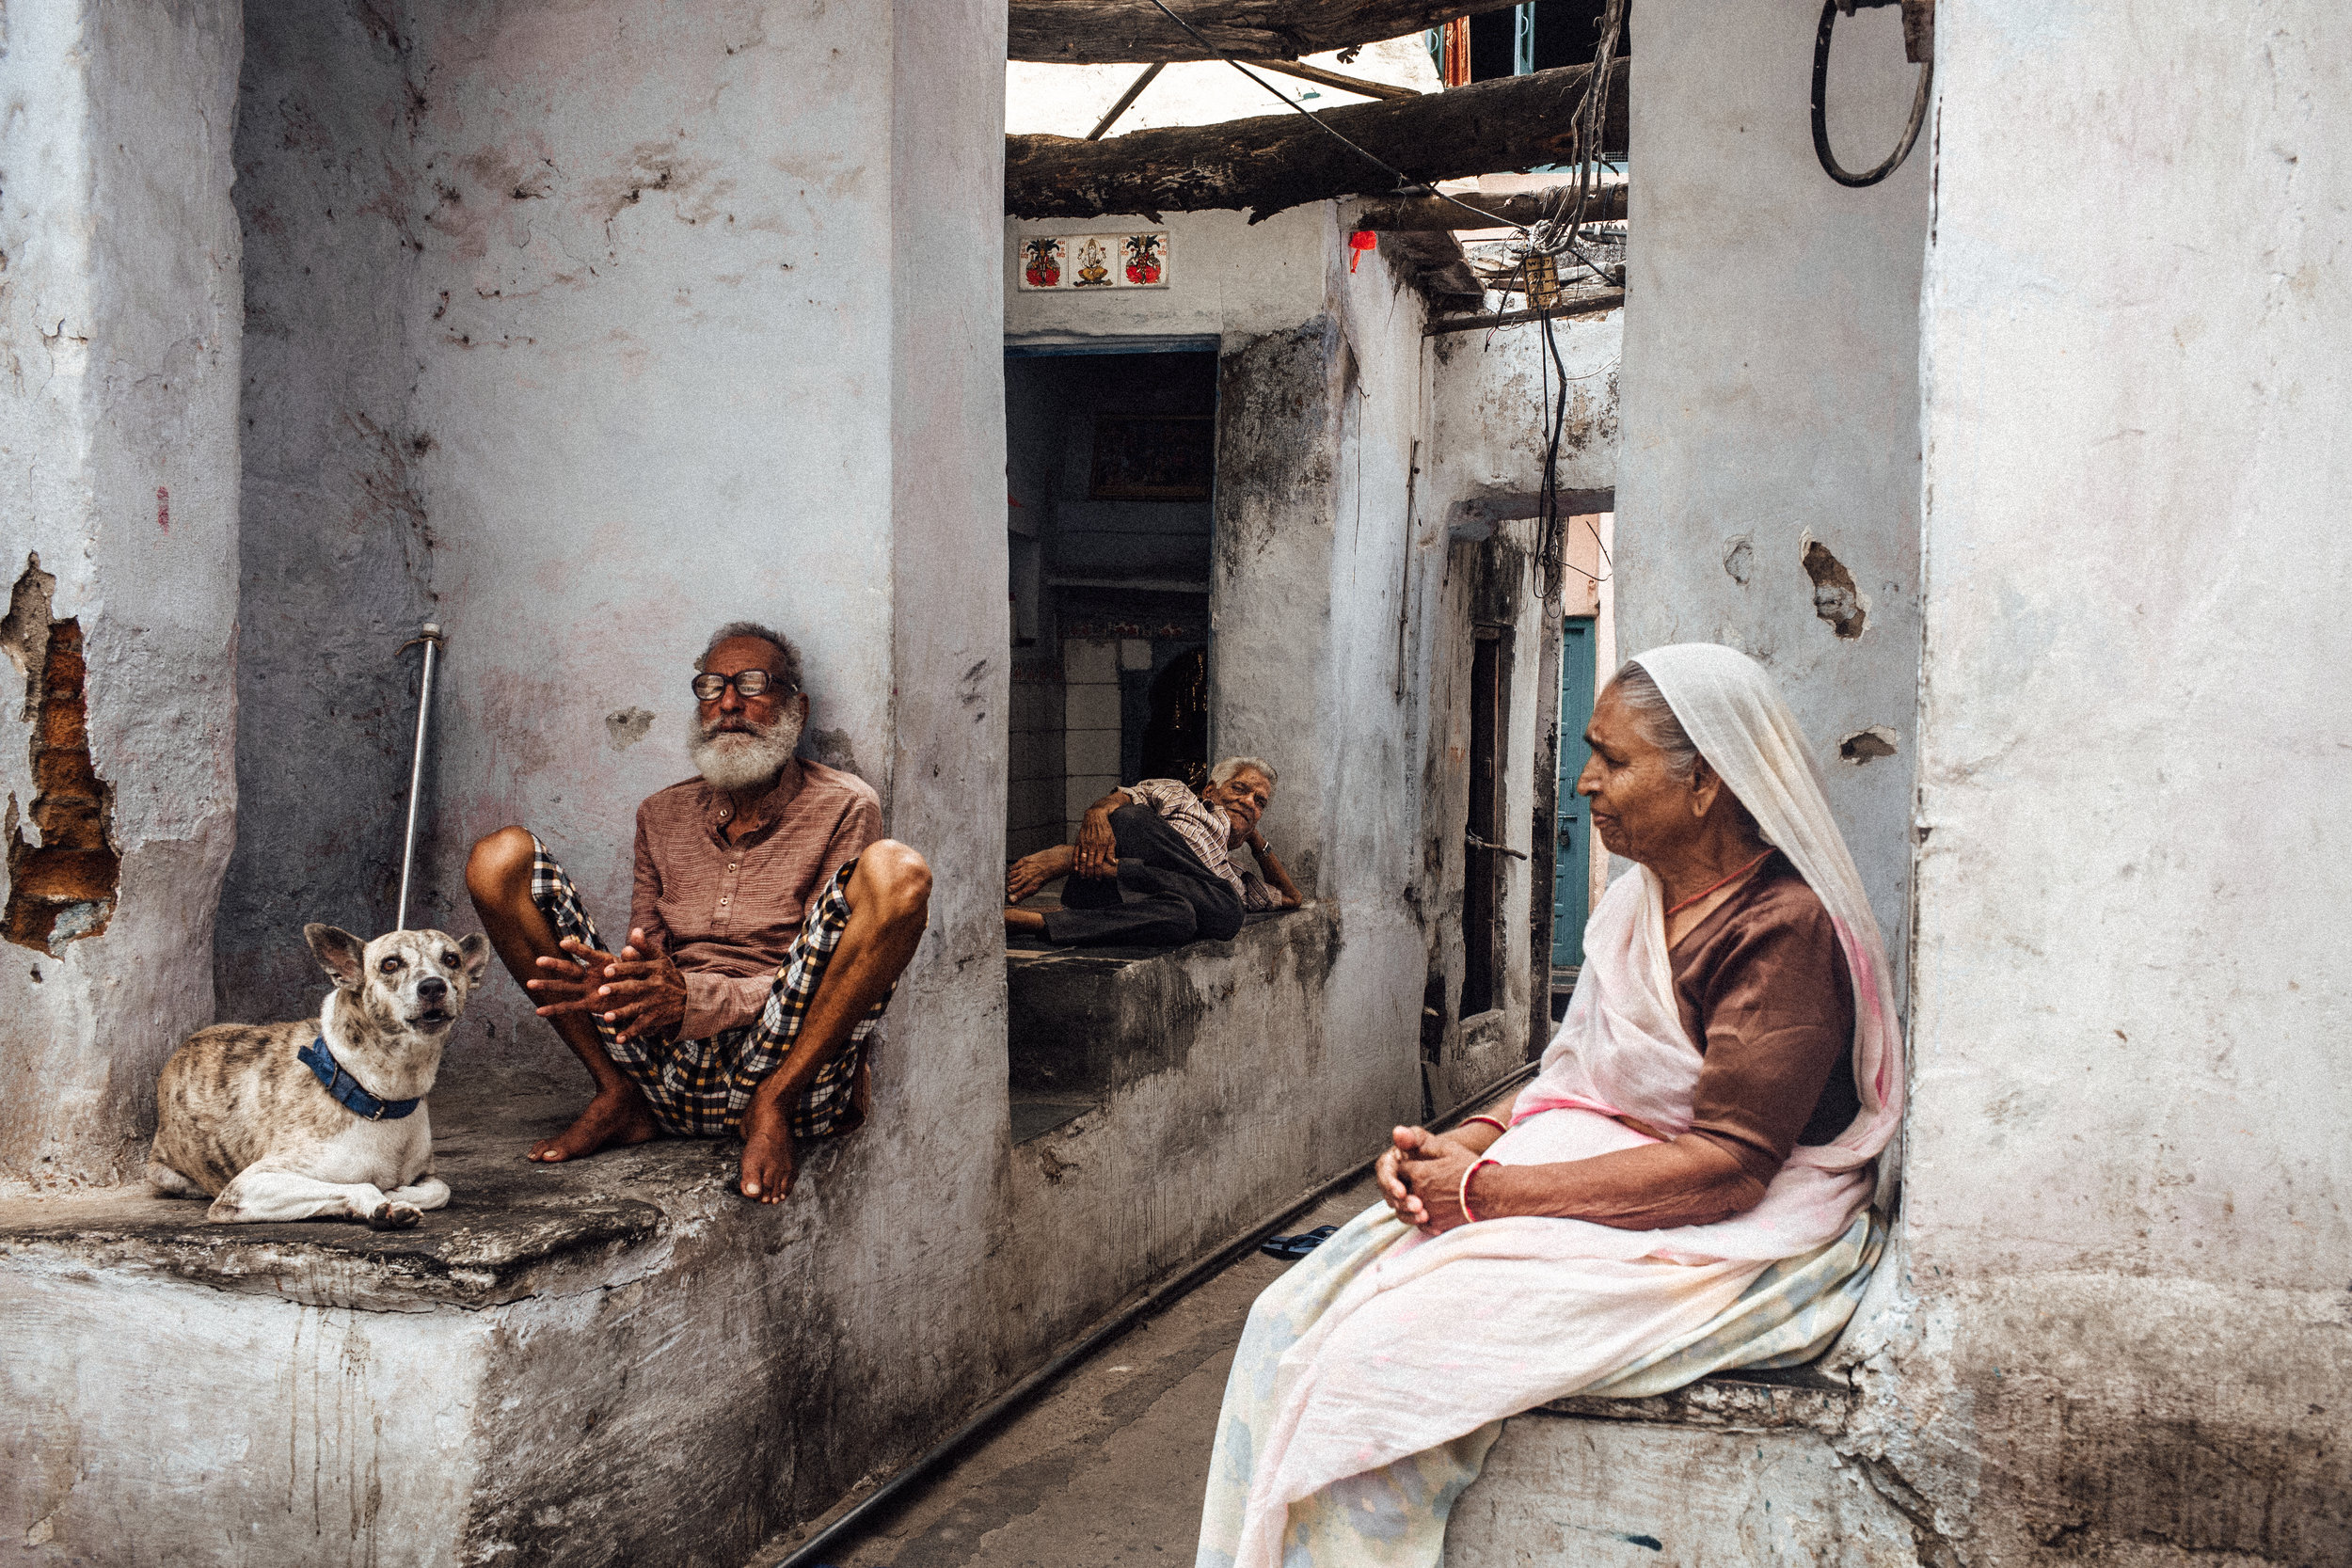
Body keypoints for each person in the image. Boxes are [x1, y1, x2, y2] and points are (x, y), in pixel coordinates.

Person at [1194, 644, 1903, 1568]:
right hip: (1610, 1181)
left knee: (1373, 1367)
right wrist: (1454, 1147)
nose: (1583, 782)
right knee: (1286, 1315)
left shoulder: (1783, 930)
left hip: (1740, 1224)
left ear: (1706, 784)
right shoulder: (1633, 904)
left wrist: (1483, 1193)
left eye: (1612, 758)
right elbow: (1571, 1077)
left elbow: (1729, 1166)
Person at [465, 622, 931, 1205]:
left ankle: (771, 1109)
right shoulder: (661, 814)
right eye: (710, 688)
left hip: (783, 1061)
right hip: (664, 1069)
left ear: (797, 706)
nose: (728, 703)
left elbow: (828, 971)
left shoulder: (843, 806)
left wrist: (698, 998)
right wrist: (617, 984)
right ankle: (618, 1096)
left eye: (751, 684)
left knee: (898, 871)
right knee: (498, 858)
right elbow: (649, 953)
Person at [1005, 757, 1302, 947]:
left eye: (1259, 802)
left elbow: (1291, 898)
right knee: (1133, 816)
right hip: (1101, 877)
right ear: (1210, 791)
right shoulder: (1183, 798)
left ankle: (1033, 922)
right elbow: (1124, 809)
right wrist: (1095, 814)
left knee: (1191, 915)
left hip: (1128, 906)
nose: (1249, 801)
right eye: (1239, 789)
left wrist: (1253, 837)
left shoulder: (1233, 874)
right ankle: (1074, 858)